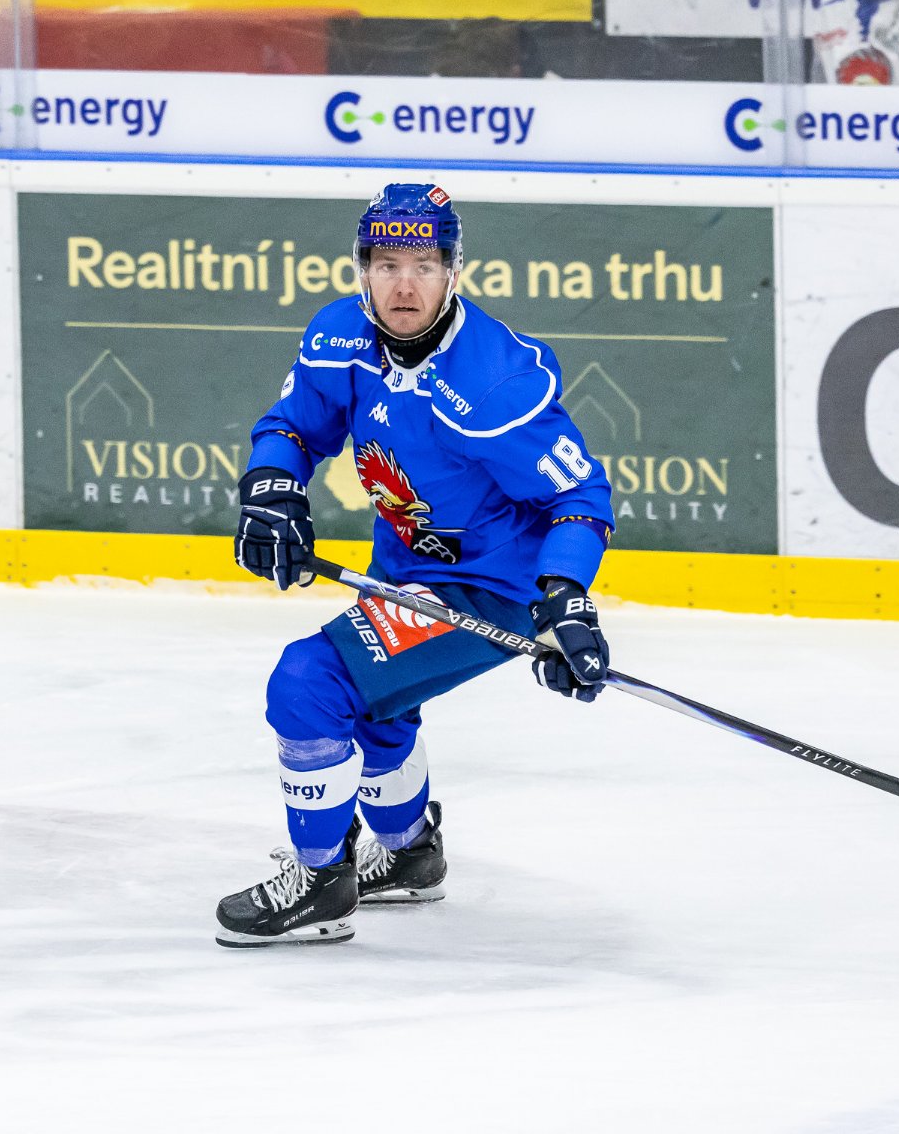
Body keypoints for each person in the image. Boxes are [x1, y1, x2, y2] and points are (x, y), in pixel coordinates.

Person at [217, 184, 614, 948]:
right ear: (361, 269)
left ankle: (321, 881)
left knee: (310, 682)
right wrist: (271, 486)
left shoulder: (492, 381)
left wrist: (564, 597)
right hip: (406, 568)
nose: (405, 285)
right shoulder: (340, 337)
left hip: (490, 588)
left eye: (425, 266)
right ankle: (407, 853)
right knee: (378, 704)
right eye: (387, 264)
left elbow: (579, 494)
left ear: (453, 272)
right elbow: (293, 426)